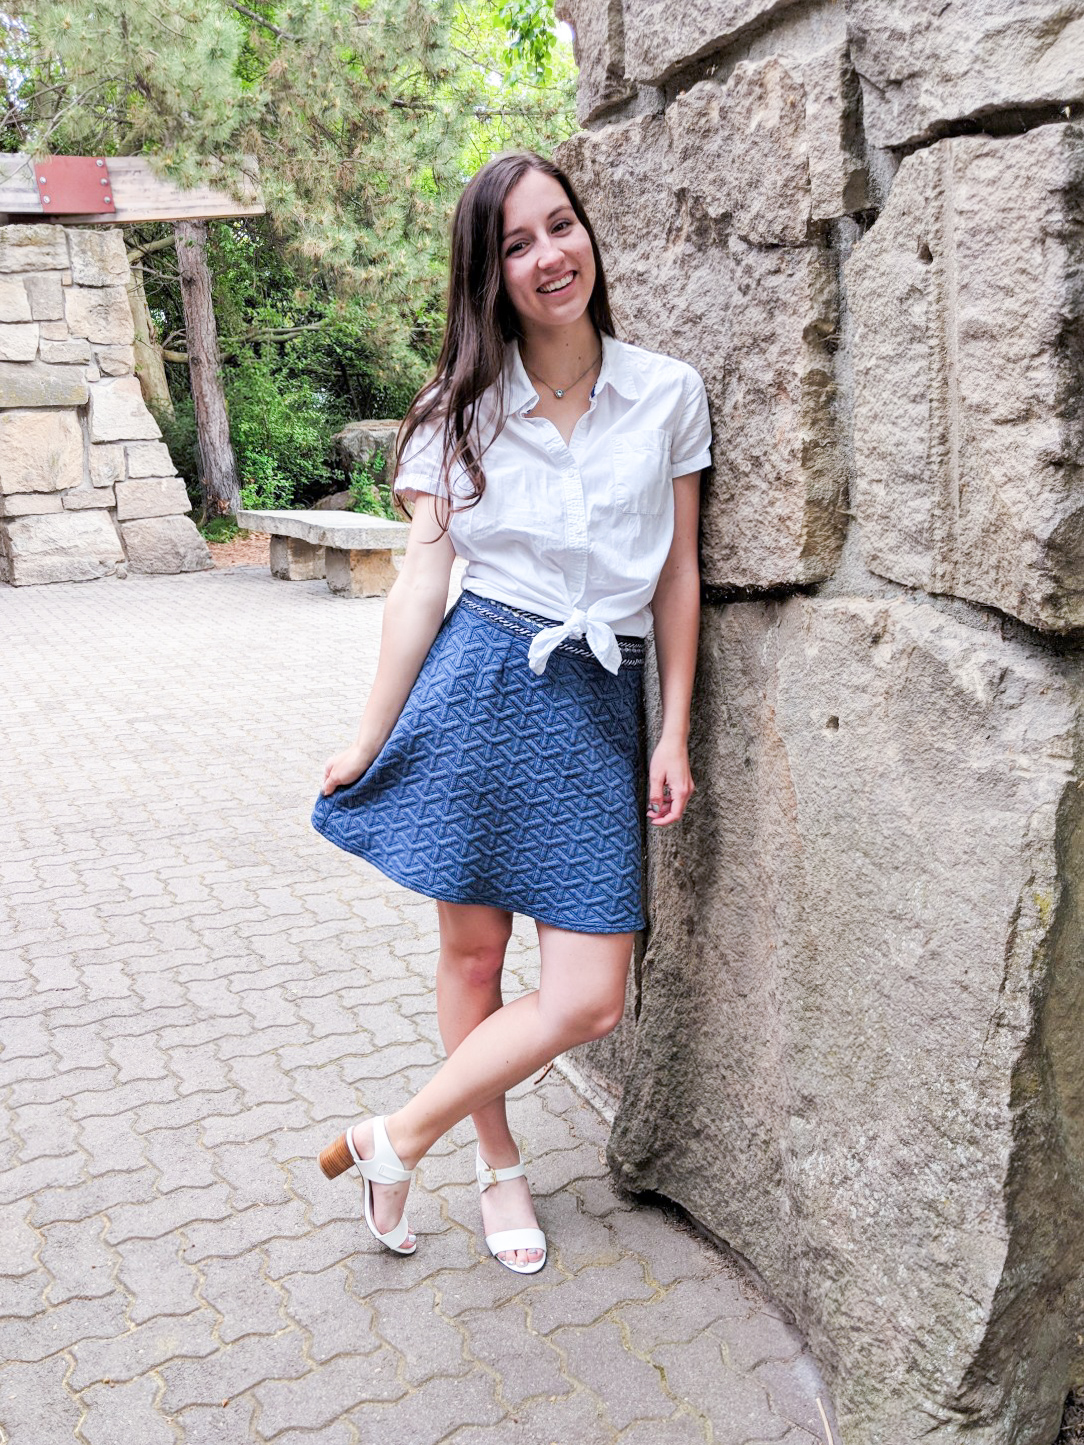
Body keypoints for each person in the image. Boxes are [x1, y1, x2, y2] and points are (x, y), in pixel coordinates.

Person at [310, 149, 710, 1273]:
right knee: (475, 957)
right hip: (482, 682)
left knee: (588, 995)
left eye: (561, 225)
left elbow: (677, 574)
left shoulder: (667, 391)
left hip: (600, 695)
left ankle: (395, 1137)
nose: (549, 256)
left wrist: (671, 726)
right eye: (517, 244)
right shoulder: (457, 410)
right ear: (489, 275)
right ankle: (494, 1167)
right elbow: (420, 583)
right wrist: (368, 735)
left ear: (589, 232)